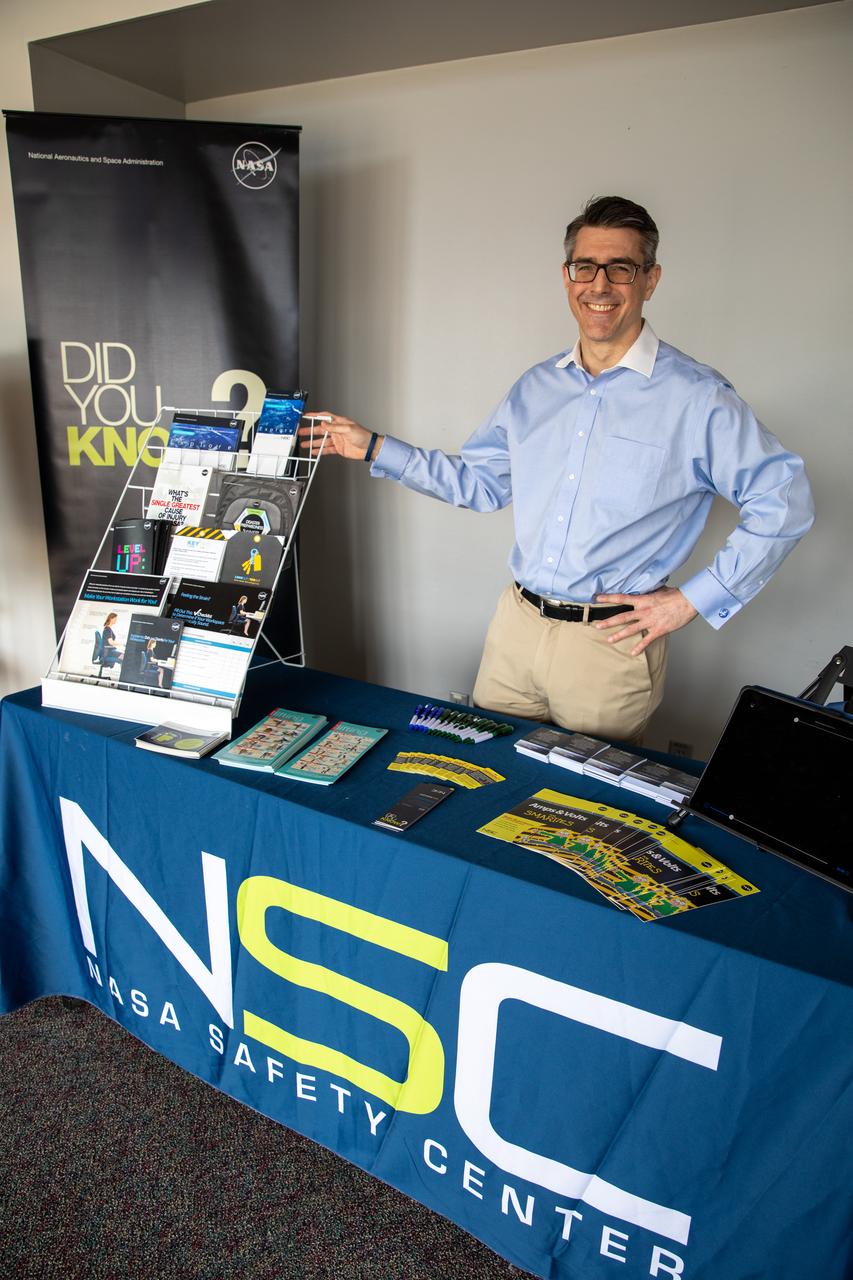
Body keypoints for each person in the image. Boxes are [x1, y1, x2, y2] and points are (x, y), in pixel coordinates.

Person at [301, 195, 814, 742]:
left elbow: (784, 500)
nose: (600, 285)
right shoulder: (535, 388)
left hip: (609, 649)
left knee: (585, 813)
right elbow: (480, 484)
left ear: (650, 279)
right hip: (515, 630)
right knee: (480, 783)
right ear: (567, 277)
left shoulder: (698, 398)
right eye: (585, 267)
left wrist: (692, 600)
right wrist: (374, 447)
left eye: (621, 268)